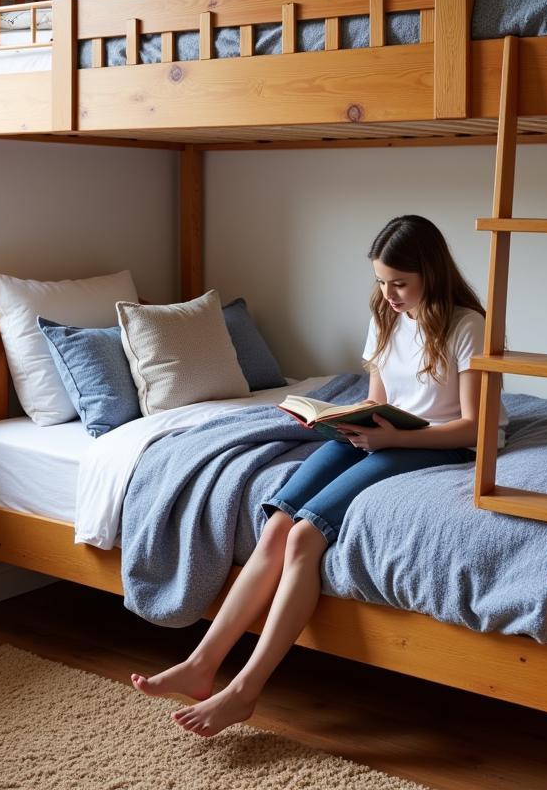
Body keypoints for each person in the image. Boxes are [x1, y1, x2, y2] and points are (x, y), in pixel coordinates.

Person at [130, 214, 489, 736]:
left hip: (436, 442)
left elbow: (472, 428)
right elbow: (380, 400)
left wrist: (390, 439)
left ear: (431, 275)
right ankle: (202, 664)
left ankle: (244, 690)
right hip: (385, 432)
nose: (388, 294)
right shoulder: (385, 316)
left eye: (400, 284)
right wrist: (345, 419)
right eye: (382, 282)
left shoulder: (466, 325)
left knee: (305, 537)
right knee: (276, 522)